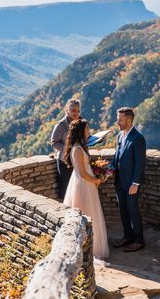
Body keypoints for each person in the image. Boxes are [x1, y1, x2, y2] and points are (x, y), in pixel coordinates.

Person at [63, 119, 110, 259]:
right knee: (87, 211)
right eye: (87, 128)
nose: (89, 131)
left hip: (86, 183)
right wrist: (95, 179)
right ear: (80, 131)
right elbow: (82, 173)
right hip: (83, 184)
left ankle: (93, 246)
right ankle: (88, 249)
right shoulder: (77, 149)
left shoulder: (80, 146)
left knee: (91, 212)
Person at [111, 107, 146, 252]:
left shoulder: (138, 138)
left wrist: (135, 183)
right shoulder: (120, 136)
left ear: (129, 120)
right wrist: (106, 170)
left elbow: (140, 163)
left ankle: (138, 240)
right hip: (119, 181)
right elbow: (116, 157)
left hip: (131, 184)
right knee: (123, 210)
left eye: (120, 119)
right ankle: (127, 236)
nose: (117, 122)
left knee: (133, 211)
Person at [51, 99, 81, 200]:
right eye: (73, 110)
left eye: (77, 110)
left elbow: (86, 137)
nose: (76, 113)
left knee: (77, 189)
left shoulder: (81, 122)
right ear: (67, 110)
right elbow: (54, 142)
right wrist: (69, 149)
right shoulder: (61, 124)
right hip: (65, 162)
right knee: (67, 189)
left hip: (78, 160)